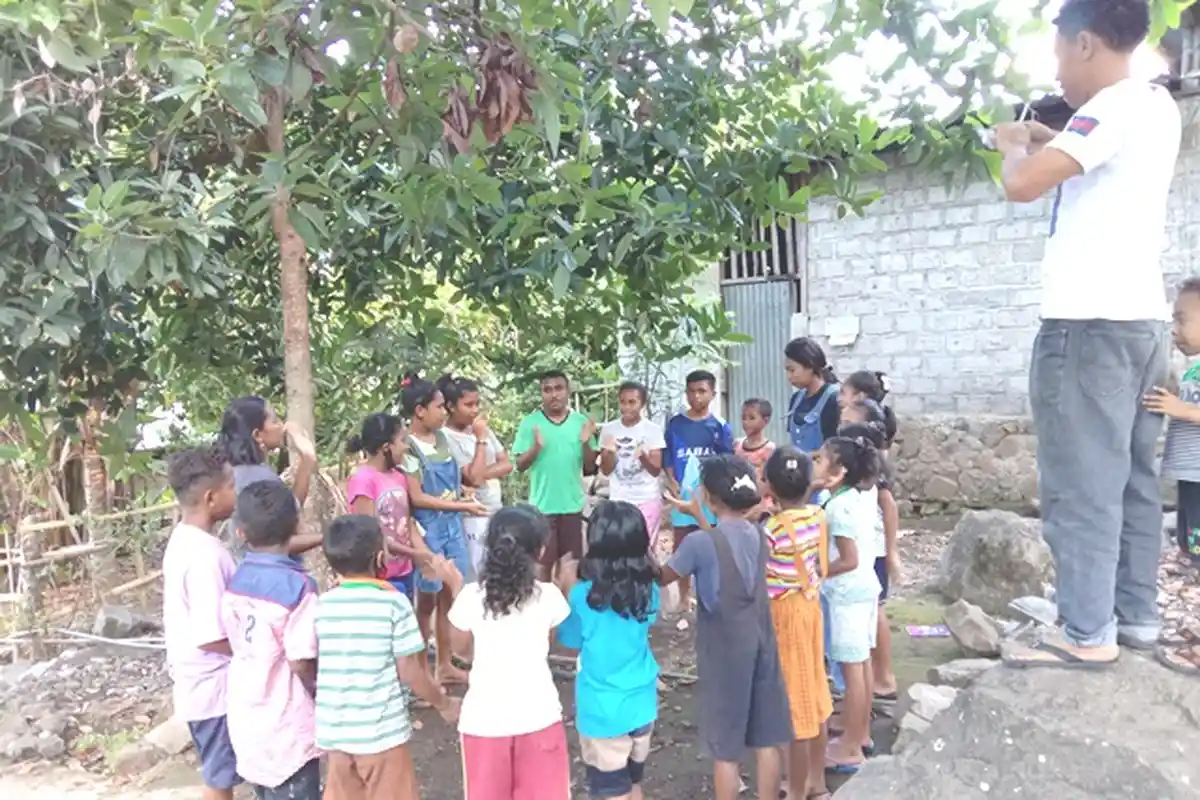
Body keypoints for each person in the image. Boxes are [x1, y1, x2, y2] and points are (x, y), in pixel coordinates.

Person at [994, 0, 1177, 668]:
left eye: (1061, 54)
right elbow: (1083, 151)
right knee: (1129, 478)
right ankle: (1133, 617)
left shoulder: (1108, 109)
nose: (1060, 72)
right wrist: (1048, 138)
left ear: (1088, 44)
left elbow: (1023, 187)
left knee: (1081, 481)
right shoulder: (1155, 105)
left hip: (1088, 326)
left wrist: (1013, 144)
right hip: (1141, 324)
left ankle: (1084, 630)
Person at [659, 455, 792, 800]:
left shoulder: (698, 544)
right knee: (766, 739)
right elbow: (724, 544)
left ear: (708, 496)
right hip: (763, 643)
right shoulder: (760, 536)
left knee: (726, 749)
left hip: (724, 654)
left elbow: (663, 576)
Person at [315, 514, 459, 800]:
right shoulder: (393, 603)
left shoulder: (322, 604)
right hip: (380, 736)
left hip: (335, 734)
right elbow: (410, 670)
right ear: (381, 558)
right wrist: (442, 703)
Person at [438, 506, 573, 800]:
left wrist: (457, 587)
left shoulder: (470, 598)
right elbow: (550, 640)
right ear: (539, 551)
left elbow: (462, 650)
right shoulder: (549, 596)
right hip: (539, 718)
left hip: (484, 722)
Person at [220, 480, 320, 800]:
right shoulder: (298, 588)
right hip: (287, 725)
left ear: (241, 533)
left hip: (248, 720)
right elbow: (301, 660)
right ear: (295, 525)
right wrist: (319, 690)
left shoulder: (236, 580)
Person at [556, 500, 662, 800]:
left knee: (611, 792)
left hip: (603, 711)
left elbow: (569, 640)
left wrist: (566, 588)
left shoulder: (582, 596)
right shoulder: (649, 590)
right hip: (642, 703)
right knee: (633, 784)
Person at [162, 447, 239, 800]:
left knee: (218, 772)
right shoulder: (206, 556)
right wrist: (257, 648)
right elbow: (211, 636)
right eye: (232, 486)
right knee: (220, 778)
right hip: (214, 690)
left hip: (201, 685)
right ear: (211, 498)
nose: (236, 493)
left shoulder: (184, 541)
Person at [400, 375, 488, 685]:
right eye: (439, 407)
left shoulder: (441, 440)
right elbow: (417, 497)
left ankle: (446, 664)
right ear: (420, 410)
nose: (443, 413)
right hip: (429, 531)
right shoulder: (408, 447)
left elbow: (465, 478)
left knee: (450, 596)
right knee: (426, 603)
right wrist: (464, 507)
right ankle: (423, 669)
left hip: (452, 528)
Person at [761, 447, 831, 800]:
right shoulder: (818, 515)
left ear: (768, 486)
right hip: (811, 607)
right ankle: (816, 783)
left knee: (795, 709)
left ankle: (797, 790)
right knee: (814, 693)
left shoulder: (771, 528)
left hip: (785, 617)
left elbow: (758, 573)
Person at [813, 435, 882, 775]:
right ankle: (861, 733)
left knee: (853, 671)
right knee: (862, 665)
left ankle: (851, 748)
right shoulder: (854, 496)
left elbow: (848, 558)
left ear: (837, 471)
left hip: (847, 594)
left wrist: (818, 570)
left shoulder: (838, 507)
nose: (814, 464)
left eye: (819, 460)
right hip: (865, 589)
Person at [1145, 277, 1200, 674]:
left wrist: (1180, 410)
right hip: (1190, 480)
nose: (1174, 330)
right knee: (1190, 552)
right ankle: (1193, 633)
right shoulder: (1195, 369)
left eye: (1182, 320)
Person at [838, 406, 903, 701]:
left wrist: (891, 552)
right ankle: (872, 676)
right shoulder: (860, 484)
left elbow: (890, 509)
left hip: (872, 552)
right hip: (867, 550)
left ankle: (884, 676)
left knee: (875, 612)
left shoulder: (875, 485)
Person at [512, 371, 599, 581]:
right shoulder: (530, 423)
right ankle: (544, 611)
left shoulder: (580, 422)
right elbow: (520, 465)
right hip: (542, 507)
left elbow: (589, 467)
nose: (554, 395)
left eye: (558, 388)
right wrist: (536, 447)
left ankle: (567, 609)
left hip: (572, 505)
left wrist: (587, 442)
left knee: (571, 565)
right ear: (541, 394)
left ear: (567, 391)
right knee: (542, 566)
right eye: (547, 390)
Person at [217, 397, 323, 558]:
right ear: (258, 435)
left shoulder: (230, 472)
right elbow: (279, 533)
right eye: (274, 421)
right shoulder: (258, 477)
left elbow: (287, 507)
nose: (282, 426)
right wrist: (307, 457)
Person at [346, 412, 434, 600]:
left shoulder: (399, 477)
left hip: (405, 571)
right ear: (386, 447)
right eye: (402, 440)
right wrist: (414, 553)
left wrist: (425, 554)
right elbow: (371, 535)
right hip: (379, 574)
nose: (406, 446)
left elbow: (407, 522)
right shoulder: (363, 481)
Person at [663, 369, 734, 604]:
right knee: (682, 545)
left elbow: (726, 461)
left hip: (709, 498)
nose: (696, 397)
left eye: (702, 391)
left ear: (713, 394)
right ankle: (684, 596)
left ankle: (709, 592)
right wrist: (671, 480)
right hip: (683, 496)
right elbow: (669, 457)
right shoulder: (675, 425)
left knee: (710, 543)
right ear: (686, 393)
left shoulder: (720, 427)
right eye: (692, 392)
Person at [439, 375, 513, 576]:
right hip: (470, 515)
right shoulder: (445, 437)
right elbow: (473, 478)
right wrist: (480, 440)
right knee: (476, 574)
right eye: (468, 405)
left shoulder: (482, 428)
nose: (475, 410)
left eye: (477, 404)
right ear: (451, 407)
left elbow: (506, 465)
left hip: (495, 509)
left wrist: (480, 474)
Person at [599, 382, 667, 548]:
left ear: (642, 404)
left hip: (646, 498)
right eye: (623, 402)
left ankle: (649, 575)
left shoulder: (652, 430)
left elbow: (656, 470)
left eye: (632, 402)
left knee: (645, 548)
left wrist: (643, 457)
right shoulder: (609, 429)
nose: (627, 407)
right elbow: (606, 471)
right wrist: (608, 453)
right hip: (618, 499)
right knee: (619, 546)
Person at [783, 338, 840, 454]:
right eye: (787, 371)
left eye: (792, 370)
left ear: (810, 366)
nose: (789, 376)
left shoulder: (834, 399)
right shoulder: (795, 399)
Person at [839, 371, 898, 446]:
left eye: (843, 393)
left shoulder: (853, 414)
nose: (839, 398)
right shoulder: (884, 416)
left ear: (860, 396)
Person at [734, 399, 777, 481]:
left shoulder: (770, 449)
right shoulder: (736, 445)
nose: (746, 422)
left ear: (765, 420)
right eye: (743, 417)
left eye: (751, 418)